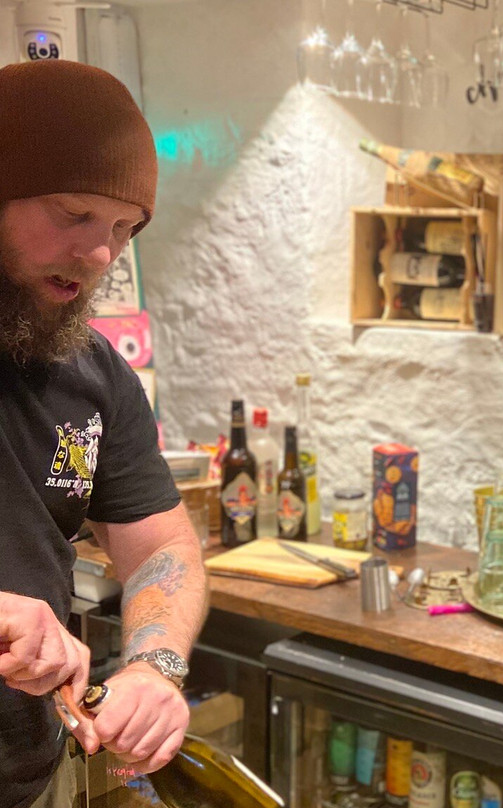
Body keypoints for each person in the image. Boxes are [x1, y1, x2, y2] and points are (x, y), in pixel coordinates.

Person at [0, 59, 208, 808]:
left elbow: (161, 546)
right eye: (73, 213)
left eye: (123, 229)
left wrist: (155, 665)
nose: (99, 257)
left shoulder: (91, 372)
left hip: (28, 780)